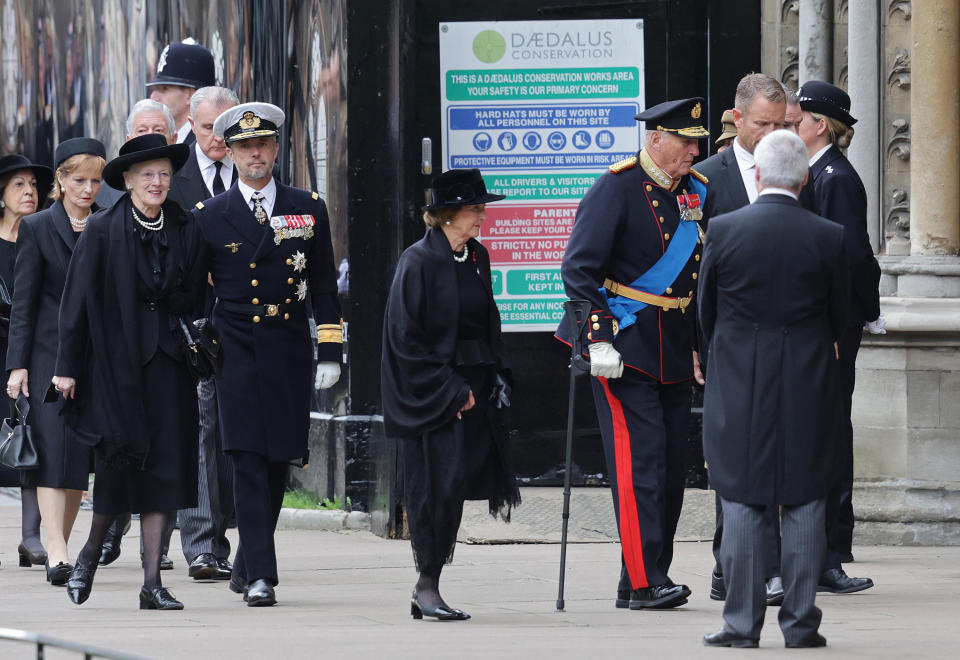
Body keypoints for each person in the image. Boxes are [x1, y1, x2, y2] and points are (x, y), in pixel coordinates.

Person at [557, 98, 708, 610]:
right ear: (656, 138)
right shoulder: (615, 188)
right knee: (639, 464)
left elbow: (695, 281)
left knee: (670, 469)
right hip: (626, 345)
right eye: (685, 141)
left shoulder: (697, 192)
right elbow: (579, 269)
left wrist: (696, 346)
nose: (694, 150)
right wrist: (597, 337)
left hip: (673, 347)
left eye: (697, 142)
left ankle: (642, 576)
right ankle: (647, 583)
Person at [699, 129, 846, 648]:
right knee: (806, 498)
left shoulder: (723, 228)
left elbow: (706, 311)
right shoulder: (828, 236)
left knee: (740, 496)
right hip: (807, 380)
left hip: (739, 379)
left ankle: (740, 624)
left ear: (757, 175)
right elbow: (841, 315)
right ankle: (801, 624)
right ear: (805, 178)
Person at [192, 102, 342, 607]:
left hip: (287, 348)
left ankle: (247, 561)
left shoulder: (308, 207)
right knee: (246, 458)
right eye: (243, 146)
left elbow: (324, 284)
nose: (254, 154)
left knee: (280, 457)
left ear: (276, 148)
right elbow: (194, 293)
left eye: (262, 144)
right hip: (233, 350)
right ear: (230, 153)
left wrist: (330, 350)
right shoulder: (210, 217)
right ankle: (263, 575)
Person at [55, 133, 205, 610]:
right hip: (117, 367)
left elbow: (197, 295)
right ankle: (87, 557)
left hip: (169, 366)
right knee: (119, 470)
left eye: (164, 174)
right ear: (127, 180)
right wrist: (67, 368)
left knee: (165, 472)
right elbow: (75, 303)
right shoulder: (102, 229)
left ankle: (152, 584)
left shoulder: (184, 225)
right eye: (147, 175)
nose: (158, 182)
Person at [381, 169, 520, 621]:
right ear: (447, 215)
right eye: (475, 209)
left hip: (473, 391)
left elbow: (487, 321)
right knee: (433, 488)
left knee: (456, 485)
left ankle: (431, 582)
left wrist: (496, 372)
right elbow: (405, 339)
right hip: (434, 394)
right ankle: (426, 585)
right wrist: (451, 390)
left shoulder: (476, 256)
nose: (482, 216)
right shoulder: (417, 261)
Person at [696, 73, 787, 606]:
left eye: (782, 124)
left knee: (777, 453)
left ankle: (765, 569)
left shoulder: (796, 173)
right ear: (736, 120)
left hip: (785, 342)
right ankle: (728, 563)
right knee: (730, 456)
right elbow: (694, 273)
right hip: (727, 342)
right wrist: (697, 343)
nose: (774, 133)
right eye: (763, 124)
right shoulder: (706, 180)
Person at [6, 139, 105, 587]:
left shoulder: (108, 223)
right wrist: (17, 365)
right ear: (61, 181)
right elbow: (24, 303)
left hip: (97, 356)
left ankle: (58, 544)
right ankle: (58, 553)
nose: (87, 189)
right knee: (50, 451)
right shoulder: (40, 227)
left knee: (78, 458)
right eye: (79, 180)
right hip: (46, 352)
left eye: (96, 181)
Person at [796, 80, 881, 595]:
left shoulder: (836, 178)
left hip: (831, 329)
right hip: (820, 325)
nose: (791, 126)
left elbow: (849, 257)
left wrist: (848, 320)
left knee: (830, 432)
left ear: (821, 124)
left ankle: (834, 547)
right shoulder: (816, 172)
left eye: (799, 119)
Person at [166, 85, 239, 582]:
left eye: (225, 126)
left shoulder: (257, 174)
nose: (218, 137)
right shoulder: (172, 181)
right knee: (201, 429)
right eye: (209, 127)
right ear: (191, 124)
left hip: (249, 326)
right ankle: (202, 545)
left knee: (239, 433)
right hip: (193, 327)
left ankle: (239, 532)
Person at [0, 154, 53, 571]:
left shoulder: (44, 234)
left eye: (33, 185)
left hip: (30, 353)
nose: (29, 192)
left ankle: (31, 536)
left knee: (30, 441)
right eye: (18, 185)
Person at [95, 99, 178, 209]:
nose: (149, 136)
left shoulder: (190, 179)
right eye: (141, 131)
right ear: (129, 140)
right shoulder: (108, 193)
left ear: (174, 139)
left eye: (158, 130)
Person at [147, 39, 216, 145]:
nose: (153, 97)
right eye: (156, 88)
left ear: (190, 95)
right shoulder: (167, 138)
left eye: (165, 88)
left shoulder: (207, 145)